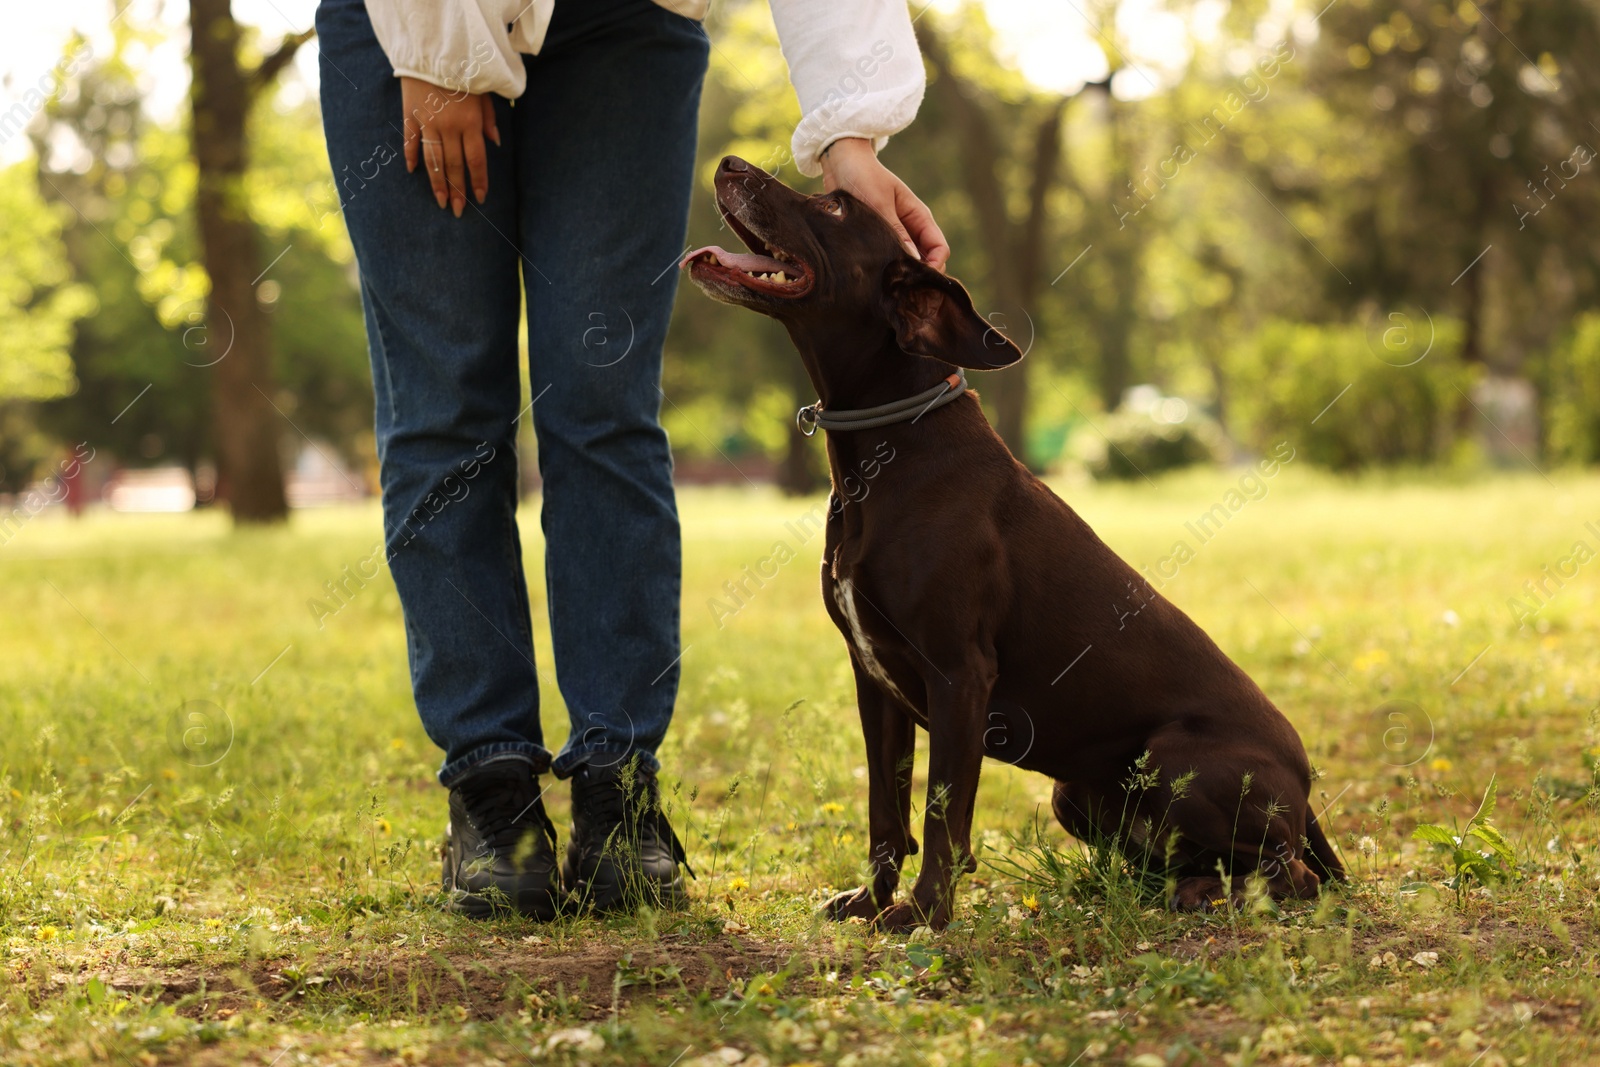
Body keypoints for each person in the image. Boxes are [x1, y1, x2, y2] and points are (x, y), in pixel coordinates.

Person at [314, 0, 948, 918]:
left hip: (627, 29)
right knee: (445, 408)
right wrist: (437, 48)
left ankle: (621, 792)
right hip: (410, 28)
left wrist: (854, 134)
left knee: (602, 404)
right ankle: (494, 796)